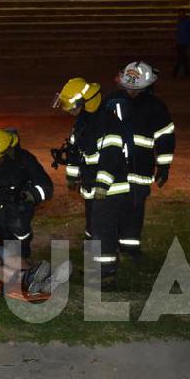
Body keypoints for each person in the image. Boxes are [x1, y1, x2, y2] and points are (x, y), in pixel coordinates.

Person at [53, 77, 130, 284]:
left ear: (86, 101)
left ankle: (106, 273)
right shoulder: (83, 122)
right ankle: (95, 268)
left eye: (71, 105)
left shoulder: (107, 122)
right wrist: (71, 176)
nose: (68, 110)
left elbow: (112, 157)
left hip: (110, 188)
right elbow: (74, 151)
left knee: (102, 229)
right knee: (93, 228)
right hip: (91, 186)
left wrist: (103, 185)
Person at [111, 61, 175, 258]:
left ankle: (130, 247)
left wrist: (163, 166)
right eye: (127, 87)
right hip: (114, 168)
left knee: (135, 210)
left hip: (141, 169)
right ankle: (109, 243)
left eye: (135, 88)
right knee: (112, 208)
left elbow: (165, 137)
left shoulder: (156, 107)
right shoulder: (111, 102)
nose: (131, 92)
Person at [0, 128, 54, 260]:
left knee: (17, 225)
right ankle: (2, 254)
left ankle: (23, 254)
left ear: (8, 152)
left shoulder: (25, 160)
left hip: (20, 207)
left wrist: (28, 196)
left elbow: (46, 187)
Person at [173, 10, 190, 78]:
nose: (181, 16)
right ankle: (187, 73)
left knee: (181, 58)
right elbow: (178, 32)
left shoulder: (187, 22)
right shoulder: (180, 22)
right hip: (180, 42)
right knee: (183, 58)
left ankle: (175, 72)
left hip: (184, 42)